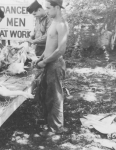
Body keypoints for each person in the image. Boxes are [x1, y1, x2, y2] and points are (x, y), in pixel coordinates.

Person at [32, 0, 69, 136]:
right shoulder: (53, 22)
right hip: (48, 63)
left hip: (55, 65)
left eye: (48, 8)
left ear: (57, 8)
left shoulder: (61, 24)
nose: (46, 11)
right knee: (46, 95)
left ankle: (56, 128)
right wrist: (40, 58)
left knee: (56, 97)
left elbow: (60, 50)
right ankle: (48, 122)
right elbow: (49, 44)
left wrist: (45, 61)